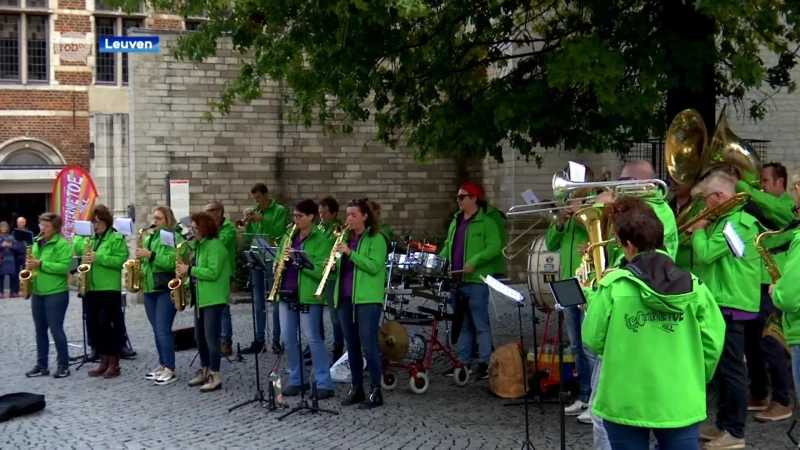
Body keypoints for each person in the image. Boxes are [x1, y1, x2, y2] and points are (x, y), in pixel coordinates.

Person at [582, 196, 726, 449]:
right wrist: (693, 374)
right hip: (679, 396)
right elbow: (713, 341)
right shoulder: (696, 286)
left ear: (629, 246)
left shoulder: (612, 287)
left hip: (624, 394)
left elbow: (592, 340)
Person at [687, 170, 761, 449]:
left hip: (732, 302)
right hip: (721, 301)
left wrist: (699, 230)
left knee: (732, 369)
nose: (704, 206)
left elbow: (706, 254)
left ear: (719, 197)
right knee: (720, 369)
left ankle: (735, 431)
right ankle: (722, 423)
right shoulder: (727, 220)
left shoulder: (738, 223)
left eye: (706, 200)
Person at [736, 162, 795, 421]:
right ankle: (759, 392)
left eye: (766, 181)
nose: (761, 186)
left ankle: (783, 399)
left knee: (771, 342)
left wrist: (741, 185)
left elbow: (770, 207)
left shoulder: (786, 206)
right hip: (753, 281)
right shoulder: (758, 207)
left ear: (781, 183)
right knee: (752, 341)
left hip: (773, 283)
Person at [440, 184, 501, 380]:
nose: (458, 200)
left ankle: (485, 362)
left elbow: (495, 247)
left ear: (474, 198)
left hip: (476, 281)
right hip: (457, 281)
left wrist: (474, 262)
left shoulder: (487, 222)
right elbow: (448, 246)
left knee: (480, 323)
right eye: (458, 197)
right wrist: (439, 264)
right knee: (464, 324)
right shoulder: (456, 221)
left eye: (462, 197)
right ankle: (463, 362)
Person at [276, 199, 336, 399]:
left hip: (309, 295)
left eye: (299, 216)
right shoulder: (289, 236)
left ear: (311, 217)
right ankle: (297, 379)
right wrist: (279, 265)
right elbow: (277, 259)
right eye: (294, 215)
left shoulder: (322, 240)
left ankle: (324, 383)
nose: (296, 219)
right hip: (287, 292)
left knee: (313, 339)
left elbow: (324, 272)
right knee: (288, 338)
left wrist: (300, 261)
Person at [333, 198, 389, 408]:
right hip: (345, 297)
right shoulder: (344, 237)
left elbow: (374, 267)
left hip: (367, 299)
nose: (349, 218)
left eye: (353, 215)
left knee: (369, 345)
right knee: (352, 345)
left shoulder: (377, 239)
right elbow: (340, 268)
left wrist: (349, 253)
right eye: (347, 214)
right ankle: (356, 388)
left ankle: (376, 390)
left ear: (365, 216)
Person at [545, 193, 593, 419]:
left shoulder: (591, 217)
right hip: (567, 283)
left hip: (587, 284)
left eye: (574, 199)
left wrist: (582, 218)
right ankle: (583, 396)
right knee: (575, 346)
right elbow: (550, 244)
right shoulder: (565, 223)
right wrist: (561, 222)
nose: (569, 204)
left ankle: (594, 399)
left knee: (589, 346)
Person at [74, 205, 129, 378]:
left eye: (98, 222)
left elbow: (121, 259)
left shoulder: (115, 238)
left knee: (107, 326)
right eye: (93, 222)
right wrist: (81, 234)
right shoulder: (91, 238)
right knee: (94, 325)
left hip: (108, 288)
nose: (96, 225)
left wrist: (99, 258)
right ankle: (103, 360)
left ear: (106, 221)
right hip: (91, 287)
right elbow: (75, 248)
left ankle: (114, 362)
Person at [178, 212, 231, 392]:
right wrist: (185, 283)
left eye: (195, 228)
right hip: (201, 297)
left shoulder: (214, 246)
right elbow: (197, 275)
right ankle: (205, 369)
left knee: (211, 338)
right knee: (199, 337)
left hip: (213, 298)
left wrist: (189, 269)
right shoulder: (199, 246)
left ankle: (215, 374)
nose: (192, 231)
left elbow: (212, 272)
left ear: (204, 228)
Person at [138, 206, 184, 386]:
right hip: (150, 289)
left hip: (165, 289)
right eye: (154, 218)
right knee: (157, 329)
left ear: (168, 220)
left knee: (163, 330)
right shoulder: (150, 238)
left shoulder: (172, 237)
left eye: (159, 218)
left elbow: (172, 262)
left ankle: (170, 368)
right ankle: (162, 363)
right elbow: (147, 263)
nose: (154, 221)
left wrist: (150, 255)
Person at [24, 213, 73, 379]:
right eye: (41, 225)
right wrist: (30, 267)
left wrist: (40, 264)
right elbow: (35, 263)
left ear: (55, 228)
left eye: (46, 226)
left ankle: (63, 365)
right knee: (40, 330)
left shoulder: (62, 245)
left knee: (56, 330)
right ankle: (42, 365)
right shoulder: (37, 243)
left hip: (56, 293)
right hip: (38, 292)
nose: (42, 229)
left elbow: (63, 267)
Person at [241, 183, 288, 355]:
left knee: (275, 298)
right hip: (256, 257)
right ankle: (259, 339)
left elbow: (279, 233)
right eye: (254, 199)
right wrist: (247, 223)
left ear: (266, 195)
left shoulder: (280, 210)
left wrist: (263, 220)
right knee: (257, 300)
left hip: (272, 258)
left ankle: (276, 340)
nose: (256, 202)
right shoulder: (255, 210)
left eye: (258, 198)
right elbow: (249, 238)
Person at [205, 201, 237, 357]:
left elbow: (221, 243)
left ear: (220, 212)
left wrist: (209, 232)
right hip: (210, 270)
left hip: (225, 272)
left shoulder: (229, 228)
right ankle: (215, 338)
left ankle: (226, 340)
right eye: (206, 211)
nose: (208, 213)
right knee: (213, 306)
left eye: (211, 210)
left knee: (223, 307)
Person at [318, 196, 345, 362]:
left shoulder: (338, 228)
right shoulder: (320, 227)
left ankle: (338, 347)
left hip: (333, 275)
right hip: (320, 274)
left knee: (335, 316)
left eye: (325, 213)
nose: (321, 216)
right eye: (320, 213)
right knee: (316, 312)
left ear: (334, 213)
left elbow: (337, 250)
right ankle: (317, 346)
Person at [0, 221, 24, 298]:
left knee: (13, 276)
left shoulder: (12, 237)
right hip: (1, 259)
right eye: (1, 227)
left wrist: (11, 246)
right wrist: (1, 245)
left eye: (4, 227)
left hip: (11, 259)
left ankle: (13, 292)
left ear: (7, 228)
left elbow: (18, 248)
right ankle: (1, 292)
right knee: (1, 277)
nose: (3, 229)